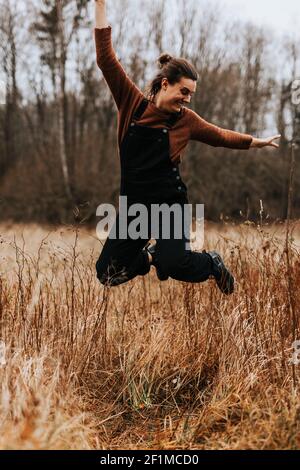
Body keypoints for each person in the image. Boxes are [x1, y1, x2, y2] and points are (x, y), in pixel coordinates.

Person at [93, 0, 280, 294]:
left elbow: (219, 135)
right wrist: (100, 5)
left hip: (169, 204)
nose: (187, 99)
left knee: (175, 265)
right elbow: (105, 59)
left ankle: (212, 263)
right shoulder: (131, 104)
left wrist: (255, 142)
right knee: (108, 273)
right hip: (134, 208)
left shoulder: (185, 121)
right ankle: (151, 255)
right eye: (184, 91)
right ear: (165, 84)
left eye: (191, 94)